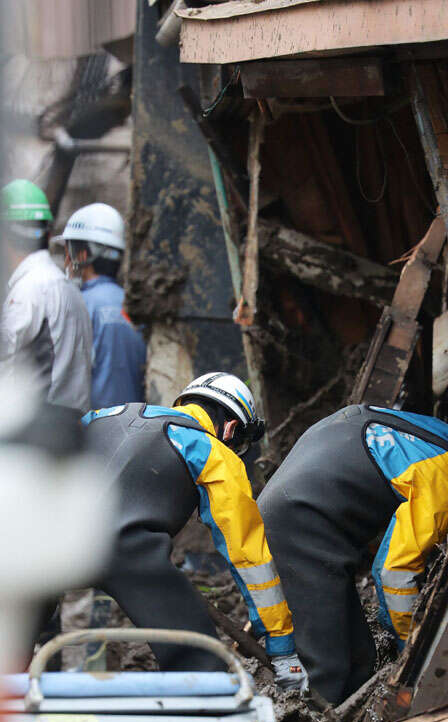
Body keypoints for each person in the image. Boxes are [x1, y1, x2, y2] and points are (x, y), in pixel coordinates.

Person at [83, 371, 306, 689]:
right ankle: (206, 707)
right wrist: (282, 648)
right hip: (126, 553)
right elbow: (248, 556)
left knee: (15, 652)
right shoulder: (210, 450)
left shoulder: (100, 417)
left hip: (36, 537)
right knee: (201, 667)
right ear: (231, 429)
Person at [258, 404, 448, 706]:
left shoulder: (441, 436)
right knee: (327, 666)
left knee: (357, 655)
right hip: (294, 517)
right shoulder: (443, 477)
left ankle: (349, 712)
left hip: (294, 501)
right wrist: (416, 655)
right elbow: (395, 574)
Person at [0, 179, 92, 413]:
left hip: (40, 426)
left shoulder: (30, 290)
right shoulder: (66, 286)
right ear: (48, 233)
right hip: (71, 424)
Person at [55, 203, 146, 409]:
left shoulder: (78, 304)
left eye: (69, 251)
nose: (67, 260)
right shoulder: (134, 306)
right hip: (136, 421)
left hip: (93, 424)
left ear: (82, 255)